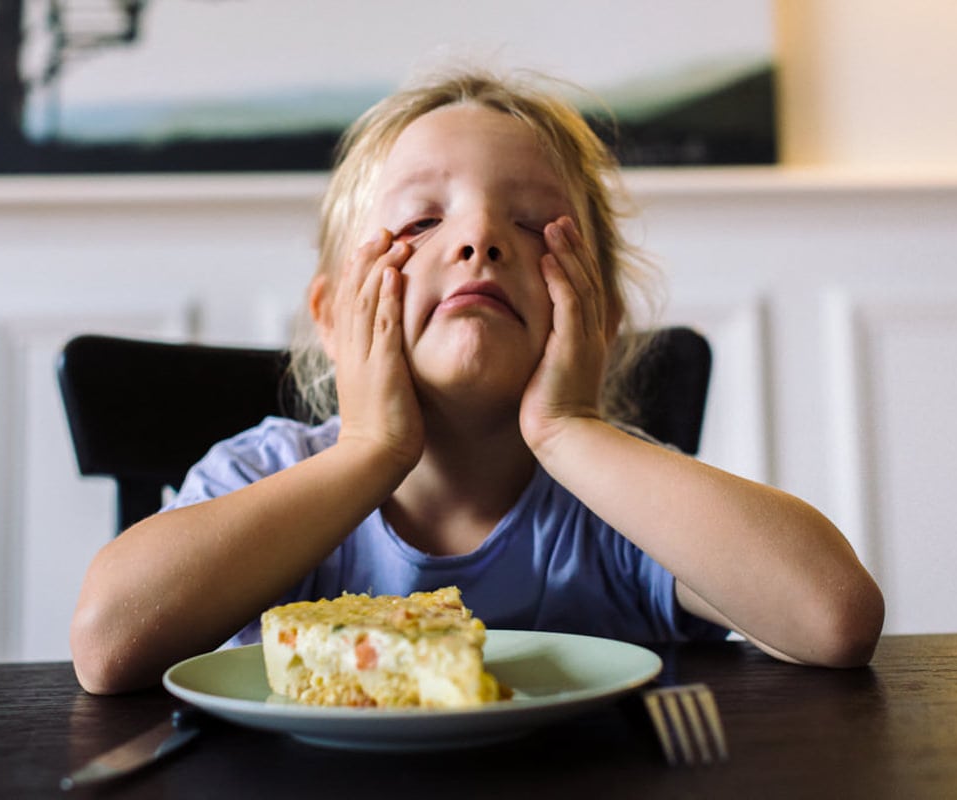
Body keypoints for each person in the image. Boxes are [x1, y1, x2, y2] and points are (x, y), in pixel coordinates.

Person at [70, 68, 884, 695]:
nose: (479, 239)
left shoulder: (618, 512)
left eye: (532, 224)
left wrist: (571, 430)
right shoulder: (267, 474)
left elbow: (835, 617)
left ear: (597, 311)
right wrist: (369, 449)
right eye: (423, 221)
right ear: (333, 313)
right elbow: (107, 645)